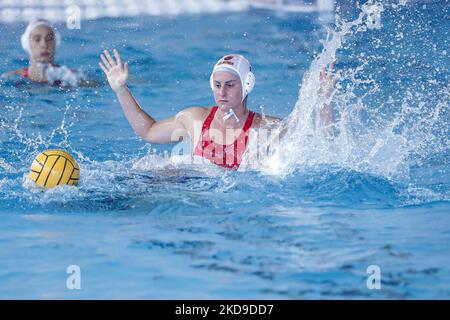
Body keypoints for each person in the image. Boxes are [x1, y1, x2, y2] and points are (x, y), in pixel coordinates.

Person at [99, 49, 335, 169]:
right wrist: (120, 89)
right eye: (217, 85)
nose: (222, 92)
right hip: (183, 188)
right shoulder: (195, 119)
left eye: (230, 85)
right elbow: (149, 132)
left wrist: (324, 101)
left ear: (247, 85)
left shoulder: (264, 128)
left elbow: (322, 143)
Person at [1, 19, 94, 87]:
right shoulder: (13, 77)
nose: (44, 44)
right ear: (27, 44)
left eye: (49, 39)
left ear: (56, 42)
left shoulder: (72, 76)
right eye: (37, 39)